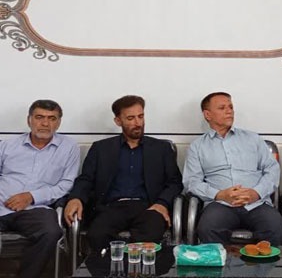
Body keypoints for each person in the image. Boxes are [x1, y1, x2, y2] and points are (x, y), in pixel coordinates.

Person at [64, 95, 182, 251]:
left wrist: (162, 203)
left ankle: (135, 267)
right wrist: (75, 198)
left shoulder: (161, 149)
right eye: (131, 118)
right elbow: (86, 179)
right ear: (118, 121)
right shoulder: (101, 149)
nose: (138, 123)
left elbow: (175, 182)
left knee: (149, 234)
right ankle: (110, 266)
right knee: (97, 235)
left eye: (140, 116)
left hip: (149, 207)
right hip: (111, 207)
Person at [183, 92, 282, 245]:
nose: (229, 111)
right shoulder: (197, 146)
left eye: (230, 107)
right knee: (208, 229)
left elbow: (272, 169)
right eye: (222, 108)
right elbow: (192, 182)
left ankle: (260, 262)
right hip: (220, 204)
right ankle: (218, 261)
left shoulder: (253, 139)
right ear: (207, 115)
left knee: (276, 229)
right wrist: (220, 195)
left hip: (256, 203)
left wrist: (256, 193)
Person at [0, 100, 79, 278]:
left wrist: (31, 196)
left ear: (58, 122)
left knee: (51, 232)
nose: (45, 123)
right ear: (29, 120)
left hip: (36, 209)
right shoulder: (7, 145)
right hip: (2, 204)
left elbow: (67, 184)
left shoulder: (68, 147)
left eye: (52, 118)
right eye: (39, 117)